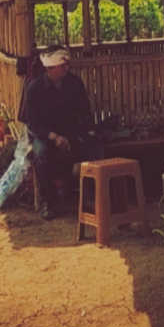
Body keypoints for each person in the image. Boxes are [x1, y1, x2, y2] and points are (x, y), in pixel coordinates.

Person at [18, 46, 99, 219]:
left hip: (70, 132)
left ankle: (90, 198)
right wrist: (54, 137)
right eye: (62, 66)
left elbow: (84, 113)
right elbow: (33, 124)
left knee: (94, 148)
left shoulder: (75, 83)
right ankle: (47, 203)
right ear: (50, 68)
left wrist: (78, 135)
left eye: (66, 65)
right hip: (45, 136)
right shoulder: (34, 89)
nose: (66, 68)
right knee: (40, 154)